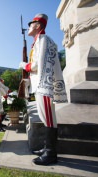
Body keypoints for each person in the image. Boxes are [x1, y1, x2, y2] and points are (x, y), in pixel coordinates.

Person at [19, 14, 68, 166]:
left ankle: (51, 154)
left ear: (38, 26)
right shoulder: (39, 41)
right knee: (45, 117)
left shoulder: (44, 40)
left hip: (44, 85)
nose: (29, 26)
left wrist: (24, 65)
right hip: (41, 85)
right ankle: (47, 148)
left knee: (48, 118)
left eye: (31, 23)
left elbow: (36, 65)